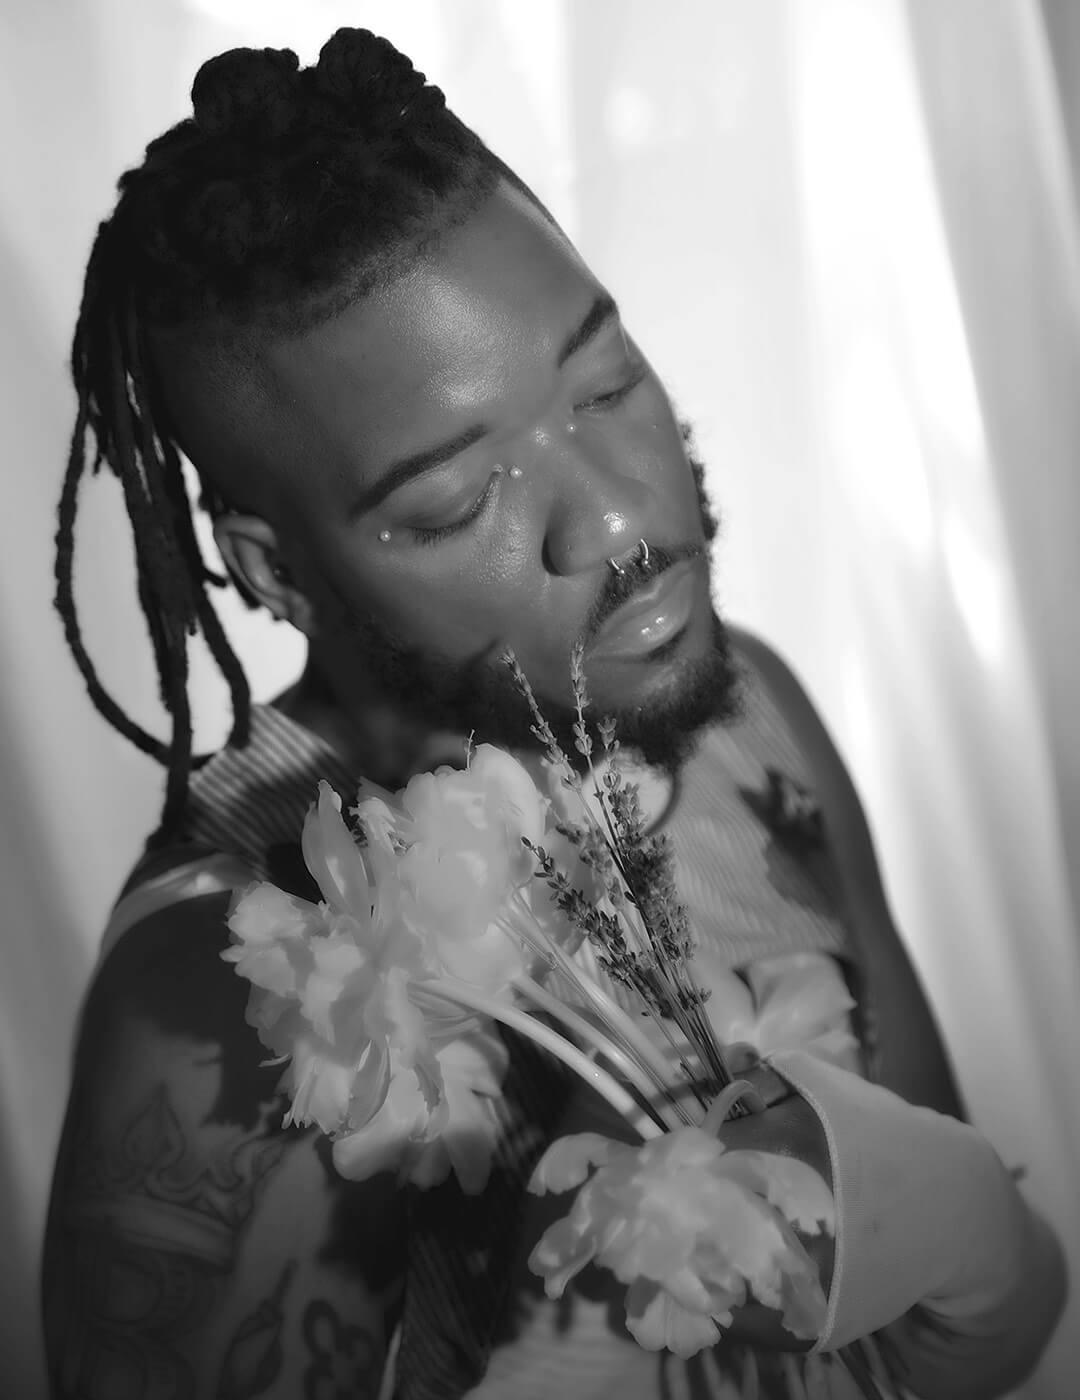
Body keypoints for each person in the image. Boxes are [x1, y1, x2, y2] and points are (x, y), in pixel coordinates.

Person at [42, 28, 1065, 1400]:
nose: (623, 519)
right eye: (459, 502)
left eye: (608, 382)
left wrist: (963, 1247)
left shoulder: (747, 711)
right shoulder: (228, 1003)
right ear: (279, 571)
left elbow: (931, 1341)